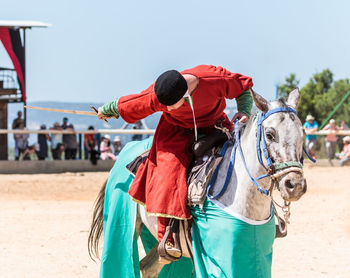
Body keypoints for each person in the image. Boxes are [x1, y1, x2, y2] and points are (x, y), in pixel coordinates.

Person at [97, 65, 253, 262]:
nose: (168, 109)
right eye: (165, 105)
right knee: (167, 175)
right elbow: (133, 104)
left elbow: (242, 87)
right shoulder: (160, 95)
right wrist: (107, 110)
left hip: (215, 126)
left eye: (172, 104)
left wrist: (244, 110)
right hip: (175, 132)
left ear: (186, 93)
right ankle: (167, 236)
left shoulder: (214, 78)